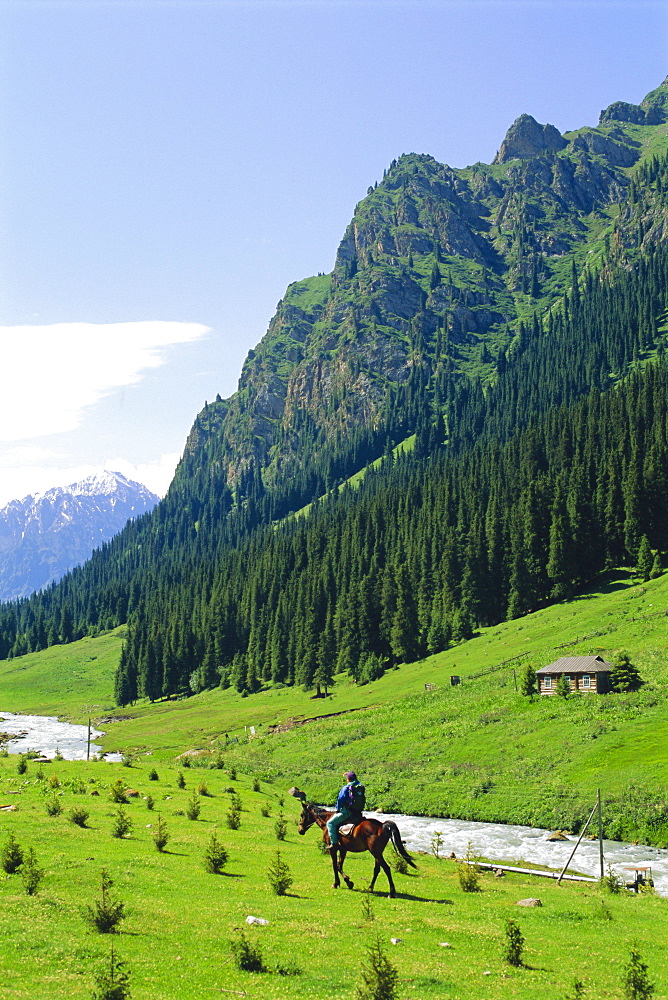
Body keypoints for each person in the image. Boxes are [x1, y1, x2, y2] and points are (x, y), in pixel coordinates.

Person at [327, 771, 365, 848]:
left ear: (348, 779)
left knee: (330, 823)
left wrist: (337, 809)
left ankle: (334, 843)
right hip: (357, 812)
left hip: (347, 812)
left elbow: (341, 800)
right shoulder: (360, 786)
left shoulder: (346, 788)